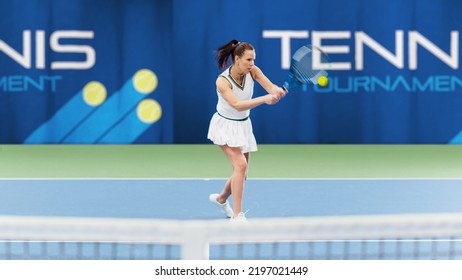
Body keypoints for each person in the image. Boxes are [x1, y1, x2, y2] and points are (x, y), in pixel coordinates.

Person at [207, 39, 286, 222]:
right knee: (240, 166)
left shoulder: (254, 71)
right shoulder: (222, 81)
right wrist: (265, 99)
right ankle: (237, 215)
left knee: (242, 173)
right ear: (237, 59)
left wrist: (276, 92)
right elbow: (237, 105)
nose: (252, 64)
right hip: (225, 126)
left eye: (253, 60)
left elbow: (270, 86)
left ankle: (221, 199)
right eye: (248, 60)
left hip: (243, 125)